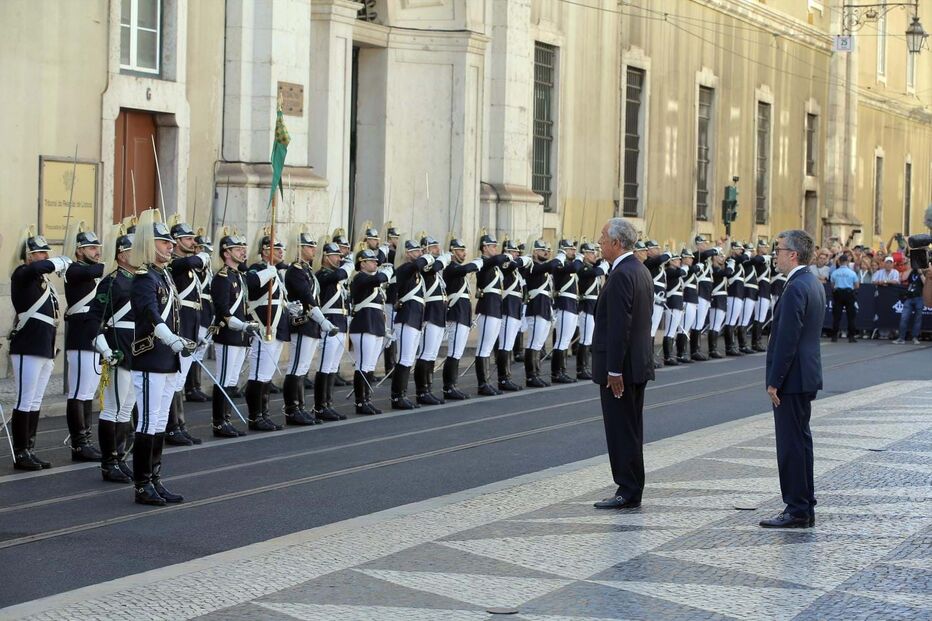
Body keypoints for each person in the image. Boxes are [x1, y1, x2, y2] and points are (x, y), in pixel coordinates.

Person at [761, 229, 824, 528]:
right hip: (805, 375)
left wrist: (775, 381)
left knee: (790, 445)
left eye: (779, 249)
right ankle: (805, 504)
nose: (776, 255)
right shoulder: (811, 282)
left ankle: (796, 508)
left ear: (793, 254)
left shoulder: (797, 286)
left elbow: (787, 339)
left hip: (793, 378)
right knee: (801, 442)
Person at [591, 218, 654, 510]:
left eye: (603, 238)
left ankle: (627, 490)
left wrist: (613, 370)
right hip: (637, 365)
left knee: (620, 430)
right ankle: (632, 487)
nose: (599, 242)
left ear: (617, 243)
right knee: (630, 428)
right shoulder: (639, 270)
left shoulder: (621, 275)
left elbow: (620, 326)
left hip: (622, 370)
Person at [128, 210, 189, 506]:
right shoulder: (143, 278)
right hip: (151, 358)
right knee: (148, 422)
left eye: (169, 242)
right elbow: (150, 314)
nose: (170, 246)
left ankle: (155, 479)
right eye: (164, 242)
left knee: (160, 422)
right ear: (149, 245)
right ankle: (142, 486)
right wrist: (171, 339)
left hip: (167, 359)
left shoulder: (164, 275)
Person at [9, 230, 69, 470]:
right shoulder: (22, 273)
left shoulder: (43, 281)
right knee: (24, 399)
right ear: (28, 256)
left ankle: (30, 449)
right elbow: (35, 269)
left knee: (35, 401)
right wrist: (56, 262)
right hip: (28, 345)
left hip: (44, 344)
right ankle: (21, 453)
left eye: (45, 252)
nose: (43, 256)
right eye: (38, 253)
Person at [89, 227, 136, 483]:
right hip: (117, 347)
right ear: (121, 255)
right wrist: (106, 351)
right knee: (113, 409)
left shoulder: (139, 279)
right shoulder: (112, 281)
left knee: (126, 408)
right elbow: (95, 319)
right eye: (132, 250)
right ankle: (109, 464)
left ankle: (120, 458)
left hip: (135, 350)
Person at [209, 229, 260, 437]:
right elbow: (223, 311)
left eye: (243, 248)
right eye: (237, 249)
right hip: (228, 334)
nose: (243, 252)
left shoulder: (239, 276)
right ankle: (219, 423)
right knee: (223, 378)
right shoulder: (222, 278)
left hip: (240, 336)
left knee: (231, 380)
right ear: (226, 253)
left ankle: (227, 420)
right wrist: (242, 325)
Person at [283, 230, 337, 425]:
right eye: (309, 246)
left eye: (314, 246)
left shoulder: (306, 270)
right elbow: (307, 298)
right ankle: (292, 410)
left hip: (311, 324)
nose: (314, 249)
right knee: (296, 367)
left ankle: (301, 408)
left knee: (303, 367)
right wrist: (323, 320)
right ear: (299, 248)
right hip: (303, 324)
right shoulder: (295, 271)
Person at [165, 217, 211, 445]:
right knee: (174, 380)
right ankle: (172, 427)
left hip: (191, 324)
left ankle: (178, 425)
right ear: (175, 241)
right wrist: (197, 258)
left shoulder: (188, 264)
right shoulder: (173, 263)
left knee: (179, 380)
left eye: (193, 238)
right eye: (188, 238)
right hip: (180, 324)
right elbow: (179, 266)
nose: (193, 242)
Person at [62, 223, 105, 461]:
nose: (96, 251)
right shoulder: (74, 270)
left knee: (88, 392)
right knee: (78, 392)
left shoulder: (89, 270)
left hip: (95, 337)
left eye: (97, 247)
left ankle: (86, 440)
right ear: (79, 251)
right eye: (90, 248)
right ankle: (79, 444)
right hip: (80, 338)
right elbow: (97, 271)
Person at [349, 249, 393, 414]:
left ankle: (367, 399)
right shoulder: (360, 278)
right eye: (372, 261)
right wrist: (387, 273)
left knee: (370, 365)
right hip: (363, 324)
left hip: (375, 325)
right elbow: (379, 278)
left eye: (376, 261)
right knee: (363, 364)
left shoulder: (373, 281)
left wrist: (384, 328)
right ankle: (360, 402)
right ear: (362, 263)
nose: (376, 263)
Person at [442, 237, 484, 399]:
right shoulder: (450, 268)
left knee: (457, 352)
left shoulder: (457, 268)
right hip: (456, 314)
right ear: (452, 251)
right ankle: (449, 387)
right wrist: (476, 264)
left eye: (464, 250)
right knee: (454, 352)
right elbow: (465, 269)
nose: (463, 253)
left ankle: (453, 385)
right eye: (460, 250)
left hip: (463, 315)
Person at [413, 235, 449, 405]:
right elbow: (433, 268)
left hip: (439, 313)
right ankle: (422, 391)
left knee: (432, 354)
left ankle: (428, 388)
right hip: (429, 314)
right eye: (433, 247)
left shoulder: (436, 269)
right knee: (426, 353)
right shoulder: (425, 266)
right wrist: (442, 261)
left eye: (437, 246)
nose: (437, 249)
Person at [550, 239, 582, 383]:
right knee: (561, 341)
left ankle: (561, 371)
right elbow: (575, 268)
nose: (573, 252)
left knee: (566, 340)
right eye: (570, 249)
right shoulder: (559, 265)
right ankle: (557, 373)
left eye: (574, 249)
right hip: (564, 305)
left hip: (572, 305)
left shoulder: (568, 265)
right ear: (563, 251)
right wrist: (579, 259)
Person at [893, 264, 927, 344]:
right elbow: (903, 278)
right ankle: (901, 338)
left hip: (919, 297)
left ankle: (915, 337)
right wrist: (911, 268)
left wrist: (921, 272)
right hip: (909, 297)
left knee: (917, 319)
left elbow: (926, 283)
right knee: (904, 318)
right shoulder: (911, 271)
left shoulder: (924, 271)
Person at [829, 254, 859, 342]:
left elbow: (832, 285)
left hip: (838, 294)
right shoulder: (852, 273)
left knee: (837, 316)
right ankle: (851, 337)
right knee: (851, 316)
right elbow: (857, 285)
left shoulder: (835, 272)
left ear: (839, 262)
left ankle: (834, 336)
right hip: (849, 294)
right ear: (847, 262)